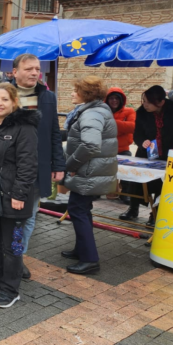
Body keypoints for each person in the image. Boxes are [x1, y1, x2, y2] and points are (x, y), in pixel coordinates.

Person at [0, 83, 39, 308]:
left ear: (14, 102)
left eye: (4, 99)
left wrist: (20, 194)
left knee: (12, 246)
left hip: (14, 197)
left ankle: (10, 289)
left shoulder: (24, 127)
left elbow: (28, 165)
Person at [13, 54, 66, 279]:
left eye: (37, 69)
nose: (35, 73)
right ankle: (3, 255)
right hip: (9, 167)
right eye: (29, 69)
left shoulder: (48, 97)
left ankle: (18, 258)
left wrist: (58, 163)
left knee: (30, 214)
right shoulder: (3, 95)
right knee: (8, 216)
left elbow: (54, 132)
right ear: (15, 72)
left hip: (37, 166)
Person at [61, 76, 118, 275]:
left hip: (87, 172)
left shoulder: (91, 113)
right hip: (92, 172)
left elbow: (91, 145)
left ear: (87, 94)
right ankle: (82, 250)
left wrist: (70, 165)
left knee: (78, 210)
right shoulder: (96, 110)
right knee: (81, 210)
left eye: (76, 90)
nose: (72, 93)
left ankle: (90, 259)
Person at [125, 85, 173, 225]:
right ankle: (133, 209)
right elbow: (137, 133)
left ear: (161, 102)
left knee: (160, 184)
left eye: (148, 102)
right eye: (143, 101)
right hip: (145, 153)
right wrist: (142, 142)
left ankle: (155, 214)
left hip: (167, 153)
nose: (144, 105)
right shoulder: (142, 113)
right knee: (137, 181)